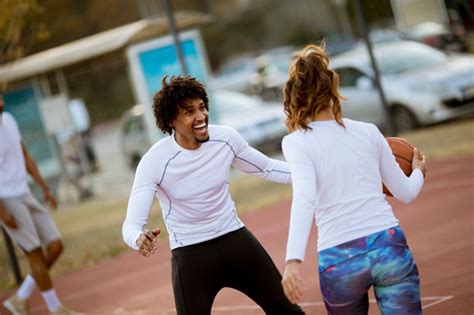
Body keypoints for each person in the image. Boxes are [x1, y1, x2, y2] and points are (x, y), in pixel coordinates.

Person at [122, 76, 305, 315]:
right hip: (190, 256)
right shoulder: (154, 161)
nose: (200, 116)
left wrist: (312, 176)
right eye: (189, 112)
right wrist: (138, 238)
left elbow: (268, 168)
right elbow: (132, 223)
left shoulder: (225, 139)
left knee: (287, 311)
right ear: (170, 120)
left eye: (202, 107)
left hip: (235, 240)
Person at [280, 45, 427, 314]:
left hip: (339, 259)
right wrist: (417, 171)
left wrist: (293, 261)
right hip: (388, 244)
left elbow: (304, 198)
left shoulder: (295, 142)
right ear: (333, 87)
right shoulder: (369, 132)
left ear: (296, 92)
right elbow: (406, 193)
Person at [0, 94, 82, 315]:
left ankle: (20, 298)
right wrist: (1, 211)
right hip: (6, 198)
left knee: (56, 245)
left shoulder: (8, 119)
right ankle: (56, 310)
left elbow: (25, 155)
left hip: (25, 193)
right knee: (34, 253)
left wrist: (44, 187)